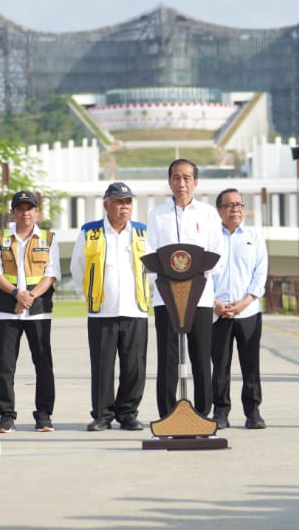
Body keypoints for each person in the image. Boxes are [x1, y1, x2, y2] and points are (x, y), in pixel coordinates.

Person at [69, 181, 151, 432]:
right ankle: (102, 415)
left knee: (134, 367)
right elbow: (77, 267)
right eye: (118, 202)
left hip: (135, 309)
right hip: (102, 311)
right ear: (106, 205)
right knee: (103, 366)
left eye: (127, 202)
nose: (124, 207)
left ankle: (128, 413)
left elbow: (153, 268)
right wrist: (87, 296)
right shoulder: (90, 231)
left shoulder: (143, 233)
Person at [146, 159, 224, 418]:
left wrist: (192, 274)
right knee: (167, 359)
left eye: (187, 178)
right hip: (166, 296)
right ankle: (167, 415)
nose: (182, 183)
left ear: (196, 182)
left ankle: (202, 414)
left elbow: (216, 253)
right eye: (176, 178)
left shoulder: (208, 214)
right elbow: (150, 253)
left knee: (201, 357)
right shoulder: (157, 215)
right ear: (169, 181)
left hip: (200, 296)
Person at [0, 190, 60, 434]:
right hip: (9, 311)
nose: (25, 213)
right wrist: (18, 294)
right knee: (6, 366)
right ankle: (6, 416)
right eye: (20, 208)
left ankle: (44, 415)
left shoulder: (49, 238)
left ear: (36, 211)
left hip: (38, 311)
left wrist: (28, 297)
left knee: (43, 364)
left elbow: (51, 274)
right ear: (13, 212)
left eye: (30, 208)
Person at [210, 188, 268, 430]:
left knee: (250, 365)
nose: (235, 209)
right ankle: (220, 412)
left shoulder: (254, 237)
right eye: (229, 205)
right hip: (217, 313)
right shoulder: (210, 238)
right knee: (220, 366)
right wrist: (215, 304)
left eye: (239, 205)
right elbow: (202, 275)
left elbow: (260, 273)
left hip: (248, 312)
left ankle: (253, 412)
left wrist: (245, 302)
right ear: (219, 210)